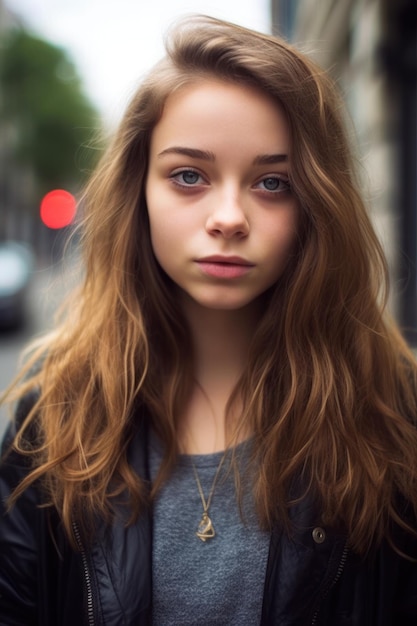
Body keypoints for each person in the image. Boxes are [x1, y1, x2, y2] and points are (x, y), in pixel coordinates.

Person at [1, 14, 416, 626]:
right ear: (137, 192)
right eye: (189, 176)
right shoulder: (52, 418)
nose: (229, 217)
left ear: (315, 206)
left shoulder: (391, 414)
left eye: (272, 182)